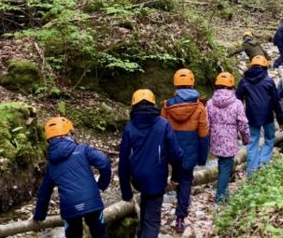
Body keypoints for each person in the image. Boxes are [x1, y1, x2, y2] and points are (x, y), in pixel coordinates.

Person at [119, 89, 183, 238]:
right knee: (152, 221)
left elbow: (123, 162)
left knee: (146, 207)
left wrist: (126, 192)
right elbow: (177, 154)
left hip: (138, 178)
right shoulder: (163, 124)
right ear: (153, 103)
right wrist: (176, 176)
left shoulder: (129, 127)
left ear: (133, 105)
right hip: (157, 177)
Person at [33, 117, 111, 238]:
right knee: (100, 235)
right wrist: (101, 185)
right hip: (92, 203)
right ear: (66, 135)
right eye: (71, 133)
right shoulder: (83, 150)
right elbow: (105, 163)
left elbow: (44, 194)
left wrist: (39, 216)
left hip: (70, 209)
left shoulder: (51, 166)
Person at [160, 69, 209, 232]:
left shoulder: (167, 106)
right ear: (192, 83)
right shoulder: (199, 107)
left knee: (177, 172)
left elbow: (161, 132)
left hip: (172, 151)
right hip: (190, 151)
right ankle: (180, 218)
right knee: (186, 180)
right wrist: (203, 158)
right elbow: (203, 135)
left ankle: (174, 184)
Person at [206, 73, 250, 204]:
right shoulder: (236, 103)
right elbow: (242, 123)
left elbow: (206, 123)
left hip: (215, 139)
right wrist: (246, 138)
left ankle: (225, 194)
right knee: (226, 167)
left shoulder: (209, 103)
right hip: (230, 139)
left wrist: (206, 140)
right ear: (231, 86)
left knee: (222, 164)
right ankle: (219, 198)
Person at [236, 55, 283, 175]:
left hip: (251, 116)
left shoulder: (244, 80)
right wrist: (280, 119)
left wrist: (238, 120)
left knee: (252, 142)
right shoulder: (268, 81)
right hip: (267, 116)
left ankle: (252, 170)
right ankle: (263, 162)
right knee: (270, 138)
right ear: (265, 67)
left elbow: (238, 100)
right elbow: (276, 102)